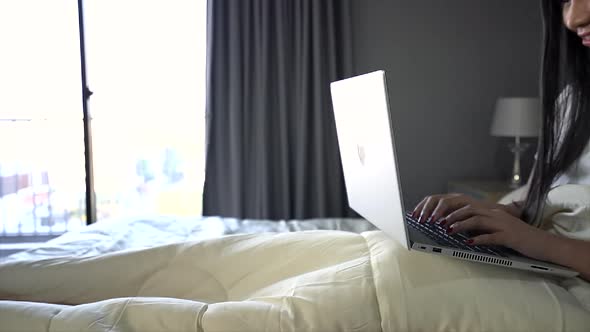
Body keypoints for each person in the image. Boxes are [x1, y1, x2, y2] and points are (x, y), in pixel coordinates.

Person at [413, 0, 590, 281]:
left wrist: (533, 241)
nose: (572, 18)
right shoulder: (572, 101)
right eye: (565, 1)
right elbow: (536, 196)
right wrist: (494, 213)